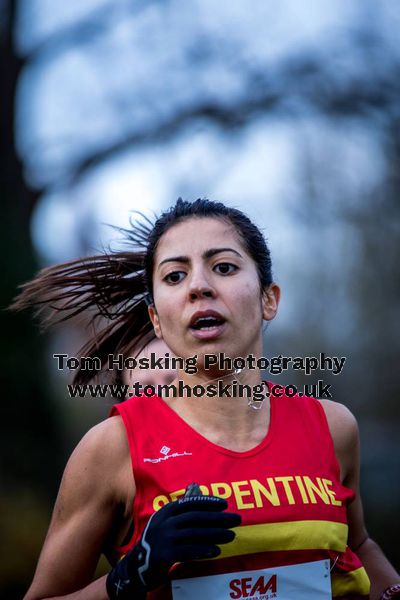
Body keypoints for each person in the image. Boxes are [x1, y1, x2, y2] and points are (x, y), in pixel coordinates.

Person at [13, 198, 400, 600]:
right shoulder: (112, 448)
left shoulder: (333, 427)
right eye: (175, 275)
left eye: (224, 267)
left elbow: (357, 547)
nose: (198, 286)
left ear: (269, 298)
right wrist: (131, 574)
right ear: (156, 320)